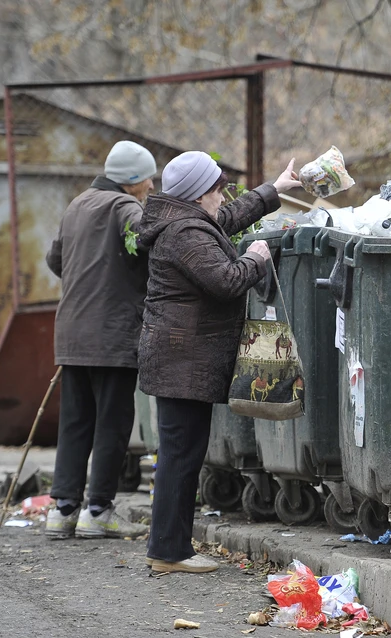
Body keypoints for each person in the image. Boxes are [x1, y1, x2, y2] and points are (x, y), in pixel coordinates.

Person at [137, 151, 300, 573]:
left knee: (183, 454)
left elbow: (226, 219)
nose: (222, 196)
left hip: (179, 358)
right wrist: (256, 258)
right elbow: (226, 281)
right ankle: (168, 552)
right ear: (198, 194)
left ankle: (169, 548)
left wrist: (274, 189)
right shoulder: (185, 233)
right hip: (181, 360)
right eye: (217, 188)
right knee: (180, 455)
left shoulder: (187, 222)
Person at [44, 140, 157, 540]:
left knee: (75, 422)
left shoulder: (78, 204)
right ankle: (99, 510)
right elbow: (150, 248)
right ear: (131, 179)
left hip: (72, 332)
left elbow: (55, 260)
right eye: (147, 178)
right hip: (111, 335)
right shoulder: (125, 207)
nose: (150, 185)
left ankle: (62, 511)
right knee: (111, 423)